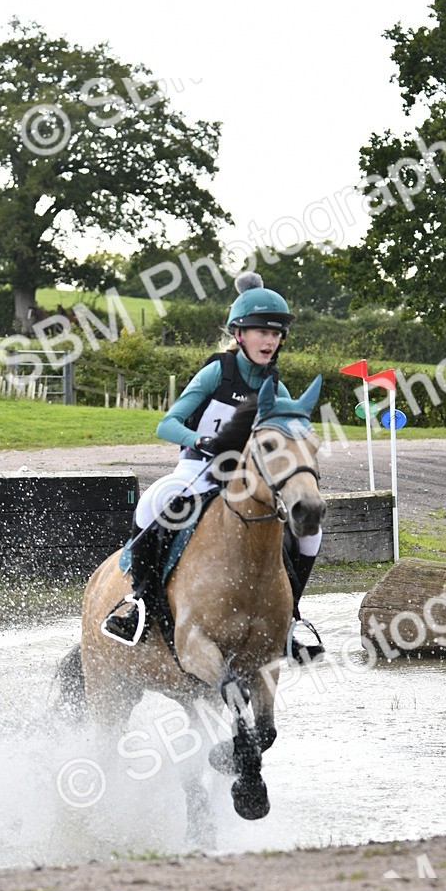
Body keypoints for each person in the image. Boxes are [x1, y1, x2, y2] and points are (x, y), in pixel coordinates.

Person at [101, 272, 323, 648]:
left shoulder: (277, 388)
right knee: (154, 500)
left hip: (248, 478)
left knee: (311, 533)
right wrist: (199, 440)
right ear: (240, 334)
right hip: (199, 467)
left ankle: (291, 619)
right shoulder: (217, 372)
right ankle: (139, 601)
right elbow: (166, 424)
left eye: (275, 334)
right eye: (261, 332)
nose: (270, 341)